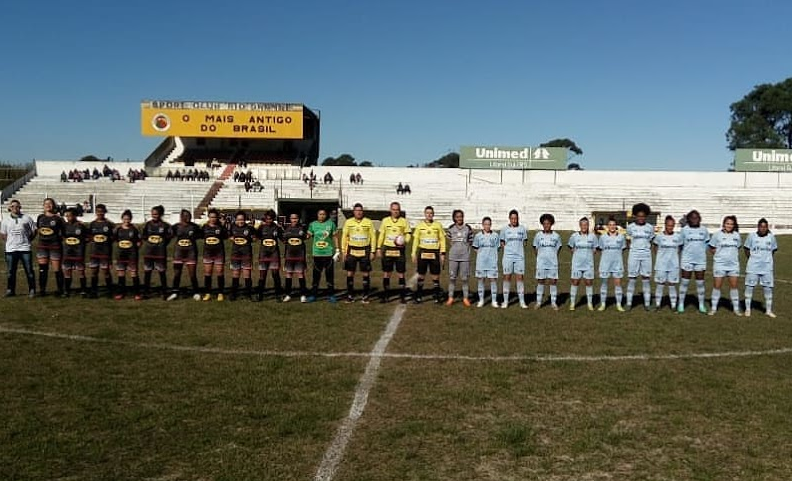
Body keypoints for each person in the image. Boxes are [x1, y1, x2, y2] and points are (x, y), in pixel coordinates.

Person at [341, 203, 377, 303]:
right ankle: (350, 295)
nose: (359, 212)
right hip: (351, 250)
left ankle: (365, 296)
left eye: (360, 210)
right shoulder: (348, 222)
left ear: (362, 211)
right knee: (350, 273)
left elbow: (373, 237)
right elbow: (344, 237)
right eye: (357, 210)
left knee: (365, 273)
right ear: (354, 212)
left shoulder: (368, 222)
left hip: (365, 250)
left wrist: (373, 251)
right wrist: (343, 251)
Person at [376, 202, 411, 303]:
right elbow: (382, 235)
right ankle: (386, 295)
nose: (395, 211)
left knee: (401, 273)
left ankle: (402, 296)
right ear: (390, 210)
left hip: (399, 250)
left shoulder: (404, 221)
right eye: (394, 209)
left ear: (400, 210)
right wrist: (378, 248)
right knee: (387, 273)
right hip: (388, 249)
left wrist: (404, 241)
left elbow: (408, 234)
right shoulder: (385, 221)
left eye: (397, 209)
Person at [1, 199, 36, 297]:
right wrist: (10, 242)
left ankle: (32, 290)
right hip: (11, 249)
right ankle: (10, 290)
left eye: (17, 206)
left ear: (20, 207)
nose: (15, 208)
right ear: (9, 208)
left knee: (29, 271)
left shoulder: (27, 218)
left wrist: (28, 240)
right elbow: (3, 234)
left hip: (25, 249)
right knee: (10, 272)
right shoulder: (5, 220)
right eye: (12, 206)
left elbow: (34, 231)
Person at [411, 206, 446, 304]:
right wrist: (413, 253)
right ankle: (419, 296)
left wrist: (443, 253)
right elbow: (416, 240)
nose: (429, 215)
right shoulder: (419, 225)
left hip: (434, 252)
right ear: (424, 214)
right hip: (423, 252)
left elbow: (442, 240)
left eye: (431, 213)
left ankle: (437, 296)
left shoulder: (438, 225)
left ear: (433, 214)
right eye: (427, 213)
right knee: (421, 275)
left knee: (435, 276)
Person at [708, 215, 742, 316]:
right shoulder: (717, 235)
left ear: (734, 225)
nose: (729, 226)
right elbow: (711, 247)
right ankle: (713, 308)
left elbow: (738, 247)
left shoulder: (736, 235)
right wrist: (719, 256)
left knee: (734, 286)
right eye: (727, 223)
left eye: (731, 224)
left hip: (733, 265)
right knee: (717, 286)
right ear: (723, 224)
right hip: (720, 264)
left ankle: (736, 309)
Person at [743, 218, 778, 318]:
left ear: (767, 227)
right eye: (761, 226)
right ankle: (748, 309)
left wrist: (767, 259)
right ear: (758, 227)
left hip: (767, 268)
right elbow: (746, 248)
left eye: (765, 227)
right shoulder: (751, 236)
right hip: (753, 267)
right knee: (749, 287)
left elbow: (773, 250)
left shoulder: (771, 237)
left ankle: (768, 311)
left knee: (768, 289)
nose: (763, 229)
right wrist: (752, 259)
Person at [678, 210, 709, 314]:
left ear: (699, 219)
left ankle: (701, 305)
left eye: (696, 217)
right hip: (687, 260)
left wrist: (701, 252)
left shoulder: (704, 230)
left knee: (700, 283)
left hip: (700, 260)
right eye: (692, 218)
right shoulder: (684, 230)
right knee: (684, 282)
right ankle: (681, 305)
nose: (694, 219)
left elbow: (707, 243)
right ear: (688, 219)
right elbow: (680, 244)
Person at [625, 203, 655, 311]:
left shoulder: (650, 227)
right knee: (632, 278)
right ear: (635, 216)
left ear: (646, 216)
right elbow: (628, 240)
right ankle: (629, 304)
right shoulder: (630, 227)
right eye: (639, 216)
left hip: (646, 255)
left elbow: (651, 240)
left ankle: (647, 304)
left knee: (646, 278)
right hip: (634, 254)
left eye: (643, 216)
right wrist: (634, 249)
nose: (641, 218)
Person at [168, 209, 202, 301]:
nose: (187, 217)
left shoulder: (195, 227)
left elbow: (202, 235)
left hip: (191, 253)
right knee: (177, 274)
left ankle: (196, 292)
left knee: (192, 274)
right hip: (178, 253)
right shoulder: (175, 227)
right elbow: (168, 236)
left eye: (189, 216)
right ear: (181, 216)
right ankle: (175, 292)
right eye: (185, 216)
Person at [307, 209, 340, 303]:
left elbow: (335, 237)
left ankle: (331, 295)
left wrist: (337, 250)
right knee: (316, 276)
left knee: (329, 275)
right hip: (317, 253)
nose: (322, 216)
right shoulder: (313, 224)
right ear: (317, 215)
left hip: (328, 253)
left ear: (326, 215)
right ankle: (313, 295)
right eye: (320, 214)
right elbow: (308, 236)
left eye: (323, 214)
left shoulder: (331, 224)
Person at [499, 209, 529, 308]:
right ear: (509, 219)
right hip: (508, 257)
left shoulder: (522, 229)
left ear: (518, 218)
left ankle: (522, 301)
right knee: (507, 277)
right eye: (512, 218)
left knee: (520, 278)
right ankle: (505, 301)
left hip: (519, 257)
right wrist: (508, 249)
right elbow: (502, 242)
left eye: (515, 218)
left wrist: (518, 249)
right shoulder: (504, 229)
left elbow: (525, 242)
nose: (514, 220)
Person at [36, 198, 65, 296]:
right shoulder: (40, 217)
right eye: (46, 203)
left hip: (55, 246)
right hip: (42, 246)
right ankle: (42, 290)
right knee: (42, 269)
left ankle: (60, 290)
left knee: (57, 269)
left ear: (54, 205)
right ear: (43, 206)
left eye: (50, 203)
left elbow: (65, 231)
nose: (48, 205)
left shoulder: (58, 218)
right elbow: (39, 229)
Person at [652, 215, 683, 311]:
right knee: (660, 284)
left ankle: (673, 306)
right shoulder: (659, 236)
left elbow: (680, 248)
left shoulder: (677, 237)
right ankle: (658, 305)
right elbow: (655, 247)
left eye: (672, 225)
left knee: (672, 284)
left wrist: (673, 256)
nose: (670, 227)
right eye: (669, 225)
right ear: (665, 225)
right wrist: (661, 257)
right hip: (661, 264)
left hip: (673, 265)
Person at [141, 205, 171, 299]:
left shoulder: (165, 226)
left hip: (160, 252)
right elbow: (144, 236)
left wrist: (161, 244)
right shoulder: (147, 225)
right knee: (147, 272)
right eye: (153, 214)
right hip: (149, 252)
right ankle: (146, 292)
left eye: (156, 214)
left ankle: (164, 292)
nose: (154, 216)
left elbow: (168, 238)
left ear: (160, 214)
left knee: (161, 272)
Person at [533, 214, 563, 310]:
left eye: (548, 223)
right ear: (542, 224)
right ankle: (538, 302)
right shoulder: (538, 235)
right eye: (544, 224)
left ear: (551, 224)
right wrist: (540, 257)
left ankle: (553, 303)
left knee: (553, 281)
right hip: (541, 263)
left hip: (552, 263)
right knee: (541, 281)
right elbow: (535, 248)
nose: (546, 225)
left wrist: (552, 256)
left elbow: (559, 248)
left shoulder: (556, 236)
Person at [568, 217, 597, 311]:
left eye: (586, 225)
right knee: (575, 282)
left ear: (588, 225)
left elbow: (595, 248)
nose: (584, 226)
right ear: (580, 225)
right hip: (576, 264)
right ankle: (572, 304)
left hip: (589, 264)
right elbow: (570, 247)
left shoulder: (593, 236)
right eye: (582, 225)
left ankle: (590, 303)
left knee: (588, 283)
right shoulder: (574, 236)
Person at [597, 217, 626, 311]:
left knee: (618, 283)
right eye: (610, 225)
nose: (612, 227)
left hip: (617, 263)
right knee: (604, 282)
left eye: (614, 225)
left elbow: (623, 249)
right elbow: (600, 249)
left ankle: (619, 304)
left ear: (616, 226)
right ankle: (603, 304)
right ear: (607, 226)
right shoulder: (603, 237)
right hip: (605, 263)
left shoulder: (621, 237)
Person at [446, 209, 474, 306]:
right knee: (452, 278)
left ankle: (465, 298)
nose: (459, 218)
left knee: (465, 278)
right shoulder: (451, 228)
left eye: (461, 216)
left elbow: (471, 240)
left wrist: (465, 248)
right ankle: (450, 297)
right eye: (457, 217)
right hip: (453, 257)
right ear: (454, 218)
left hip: (465, 257)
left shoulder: (468, 228)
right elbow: (449, 240)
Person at [87, 204, 114, 298]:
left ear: (104, 212)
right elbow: (89, 237)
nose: (100, 213)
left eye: (102, 211)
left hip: (105, 252)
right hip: (94, 252)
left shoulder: (108, 224)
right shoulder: (92, 224)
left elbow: (112, 238)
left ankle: (110, 291)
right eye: (98, 211)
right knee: (94, 272)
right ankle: (93, 292)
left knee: (106, 272)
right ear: (96, 212)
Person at [255, 210, 283, 302]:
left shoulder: (277, 228)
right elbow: (256, 237)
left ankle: (278, 295)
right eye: (267, 219)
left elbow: (283, 239)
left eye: (270, 219)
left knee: (275, 274)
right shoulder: (261, 227)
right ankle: (260, 295)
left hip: (274, 254)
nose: (268, 221)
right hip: (263, 254)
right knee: (262, 275)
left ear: (273, 219)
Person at [472, 216, 500, 308]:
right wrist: (481, 254)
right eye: (485, 224)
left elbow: (498, 247)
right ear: (483, 225)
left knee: (493, 280)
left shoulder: (495, 235)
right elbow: (475, 248)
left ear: (491, 225)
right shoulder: (478, 236)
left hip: (492, 262)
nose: (487, 226)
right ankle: (481, 300)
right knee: (481, 280)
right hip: (481, 262)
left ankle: (494, 301)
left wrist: (491, 254)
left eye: (489, 224)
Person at [114, 209, 141, 300]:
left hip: (131, 255)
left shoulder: (134, 229)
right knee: (121, 273)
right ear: (122, 219)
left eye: (128, 219)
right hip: (121, 255)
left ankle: (137, 293)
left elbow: (139, 241)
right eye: (125, 219)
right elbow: (115, 240)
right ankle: (121, 293)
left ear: (131, 219)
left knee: (133, 273)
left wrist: (136, 247)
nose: (126, 221)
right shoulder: (118, 229)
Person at [201, 208, 228, 302]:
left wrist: (224, 226)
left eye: (214, 217)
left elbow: (226, 236)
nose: (212, 219)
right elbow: (200, 236)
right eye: (211, 217)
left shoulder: (220, 227)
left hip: (219, 253)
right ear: (208, 217)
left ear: (217, 218)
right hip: (207, 253)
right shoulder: (204, 227)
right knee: (208, 272)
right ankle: (208, 293)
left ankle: (220, 293)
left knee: (220, 272)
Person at [282, 213, 309, 303]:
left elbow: (306, 237)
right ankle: (288, 295)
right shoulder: (287, 229)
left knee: (300, 274)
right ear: (290, 219)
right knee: (288, 274)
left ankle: (303, 295)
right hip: (289, 255)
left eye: (296, 218)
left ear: (298, 219)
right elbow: (284, 241)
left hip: (300, 255)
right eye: (292, 218)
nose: (294, 220)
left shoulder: (302, 228)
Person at [61, 207, 88, 297]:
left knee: (81, 271)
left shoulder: (81, 226)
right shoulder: (64, 226)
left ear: (75, 216)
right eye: (66, 216)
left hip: (78, 252)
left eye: (69, 215)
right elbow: (62, 236)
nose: (68, 217)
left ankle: (83, 290)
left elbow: (88, 238)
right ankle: (66, 291)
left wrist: (81, 244)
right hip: (67, 252)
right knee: (67, 271)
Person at [229, 210, 255, 300]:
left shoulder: (249, 228)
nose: (240, 221)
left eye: (242, 219)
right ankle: (234, 293)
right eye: (238, 219)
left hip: (246, 254)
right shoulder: (232, 227)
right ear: (235, 220)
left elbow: (255, 238)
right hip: (235, 254)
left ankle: (248, 294)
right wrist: (231, 238)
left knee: (247, 274)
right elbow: (230, 236)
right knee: (235, 273)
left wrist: (252, 239)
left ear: (245, 219)